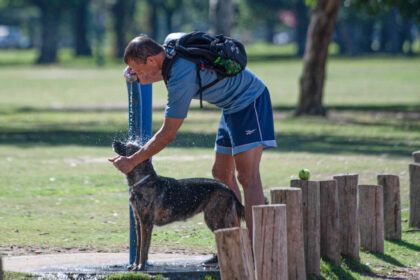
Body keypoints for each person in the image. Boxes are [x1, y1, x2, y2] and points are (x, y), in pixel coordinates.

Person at [109, 34, 277, 240]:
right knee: (221, 173)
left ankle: (257, 246)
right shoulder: (170, 46)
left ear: (151, 60)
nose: (137, 75)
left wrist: (133, 160)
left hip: (249, 101)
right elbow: (158, 72)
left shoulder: (180, 79)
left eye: (140, 70)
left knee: (248, 177)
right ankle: (233, 243)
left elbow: (168, 134)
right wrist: (140, 72)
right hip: (230, 107)